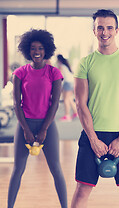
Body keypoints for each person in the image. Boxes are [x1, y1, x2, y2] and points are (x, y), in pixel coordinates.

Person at [71, 9, 119, 208]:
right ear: (94, 31)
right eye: (100, 27)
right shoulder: (85, 63)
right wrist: (93, 139)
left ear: (117, 30)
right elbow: (80, 103)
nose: (105, 32)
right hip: (91, 133)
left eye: (109, 27)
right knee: (82, 189)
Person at [8, 29, 68, 208]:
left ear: (46, 50)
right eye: (33, 48)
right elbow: (16, 104)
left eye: (40, 48)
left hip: (47, 126)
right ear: (28, 50)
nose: (37, 52)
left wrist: (43, 129)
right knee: (18, 169)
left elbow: (55, 104)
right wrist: (26, 129)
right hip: (24, 124)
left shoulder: (54, 73)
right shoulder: (20, 73)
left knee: (56, 169)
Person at [57, 54, 78, 121]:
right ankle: (76, 113)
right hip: (72, 82)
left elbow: (60, 76)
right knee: (70, 99)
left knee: (65, 99)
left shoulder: (61, 66)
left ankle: (67, 115)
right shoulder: (66, 65)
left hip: (67, 83)